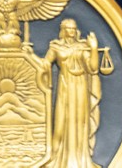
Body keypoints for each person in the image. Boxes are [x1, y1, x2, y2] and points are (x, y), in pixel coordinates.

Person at [44, 18, 103, 168]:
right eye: (68, 28)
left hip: (80, 86)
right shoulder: (56, 46)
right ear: (63, 30)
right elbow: (45, 64)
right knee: (61, 123)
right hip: (65, 86)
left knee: (79, 121)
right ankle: (57, 158)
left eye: (73, 28)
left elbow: (93, 68)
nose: (71, 31)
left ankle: (79, 160)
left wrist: (94, 48)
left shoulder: (82, 47)